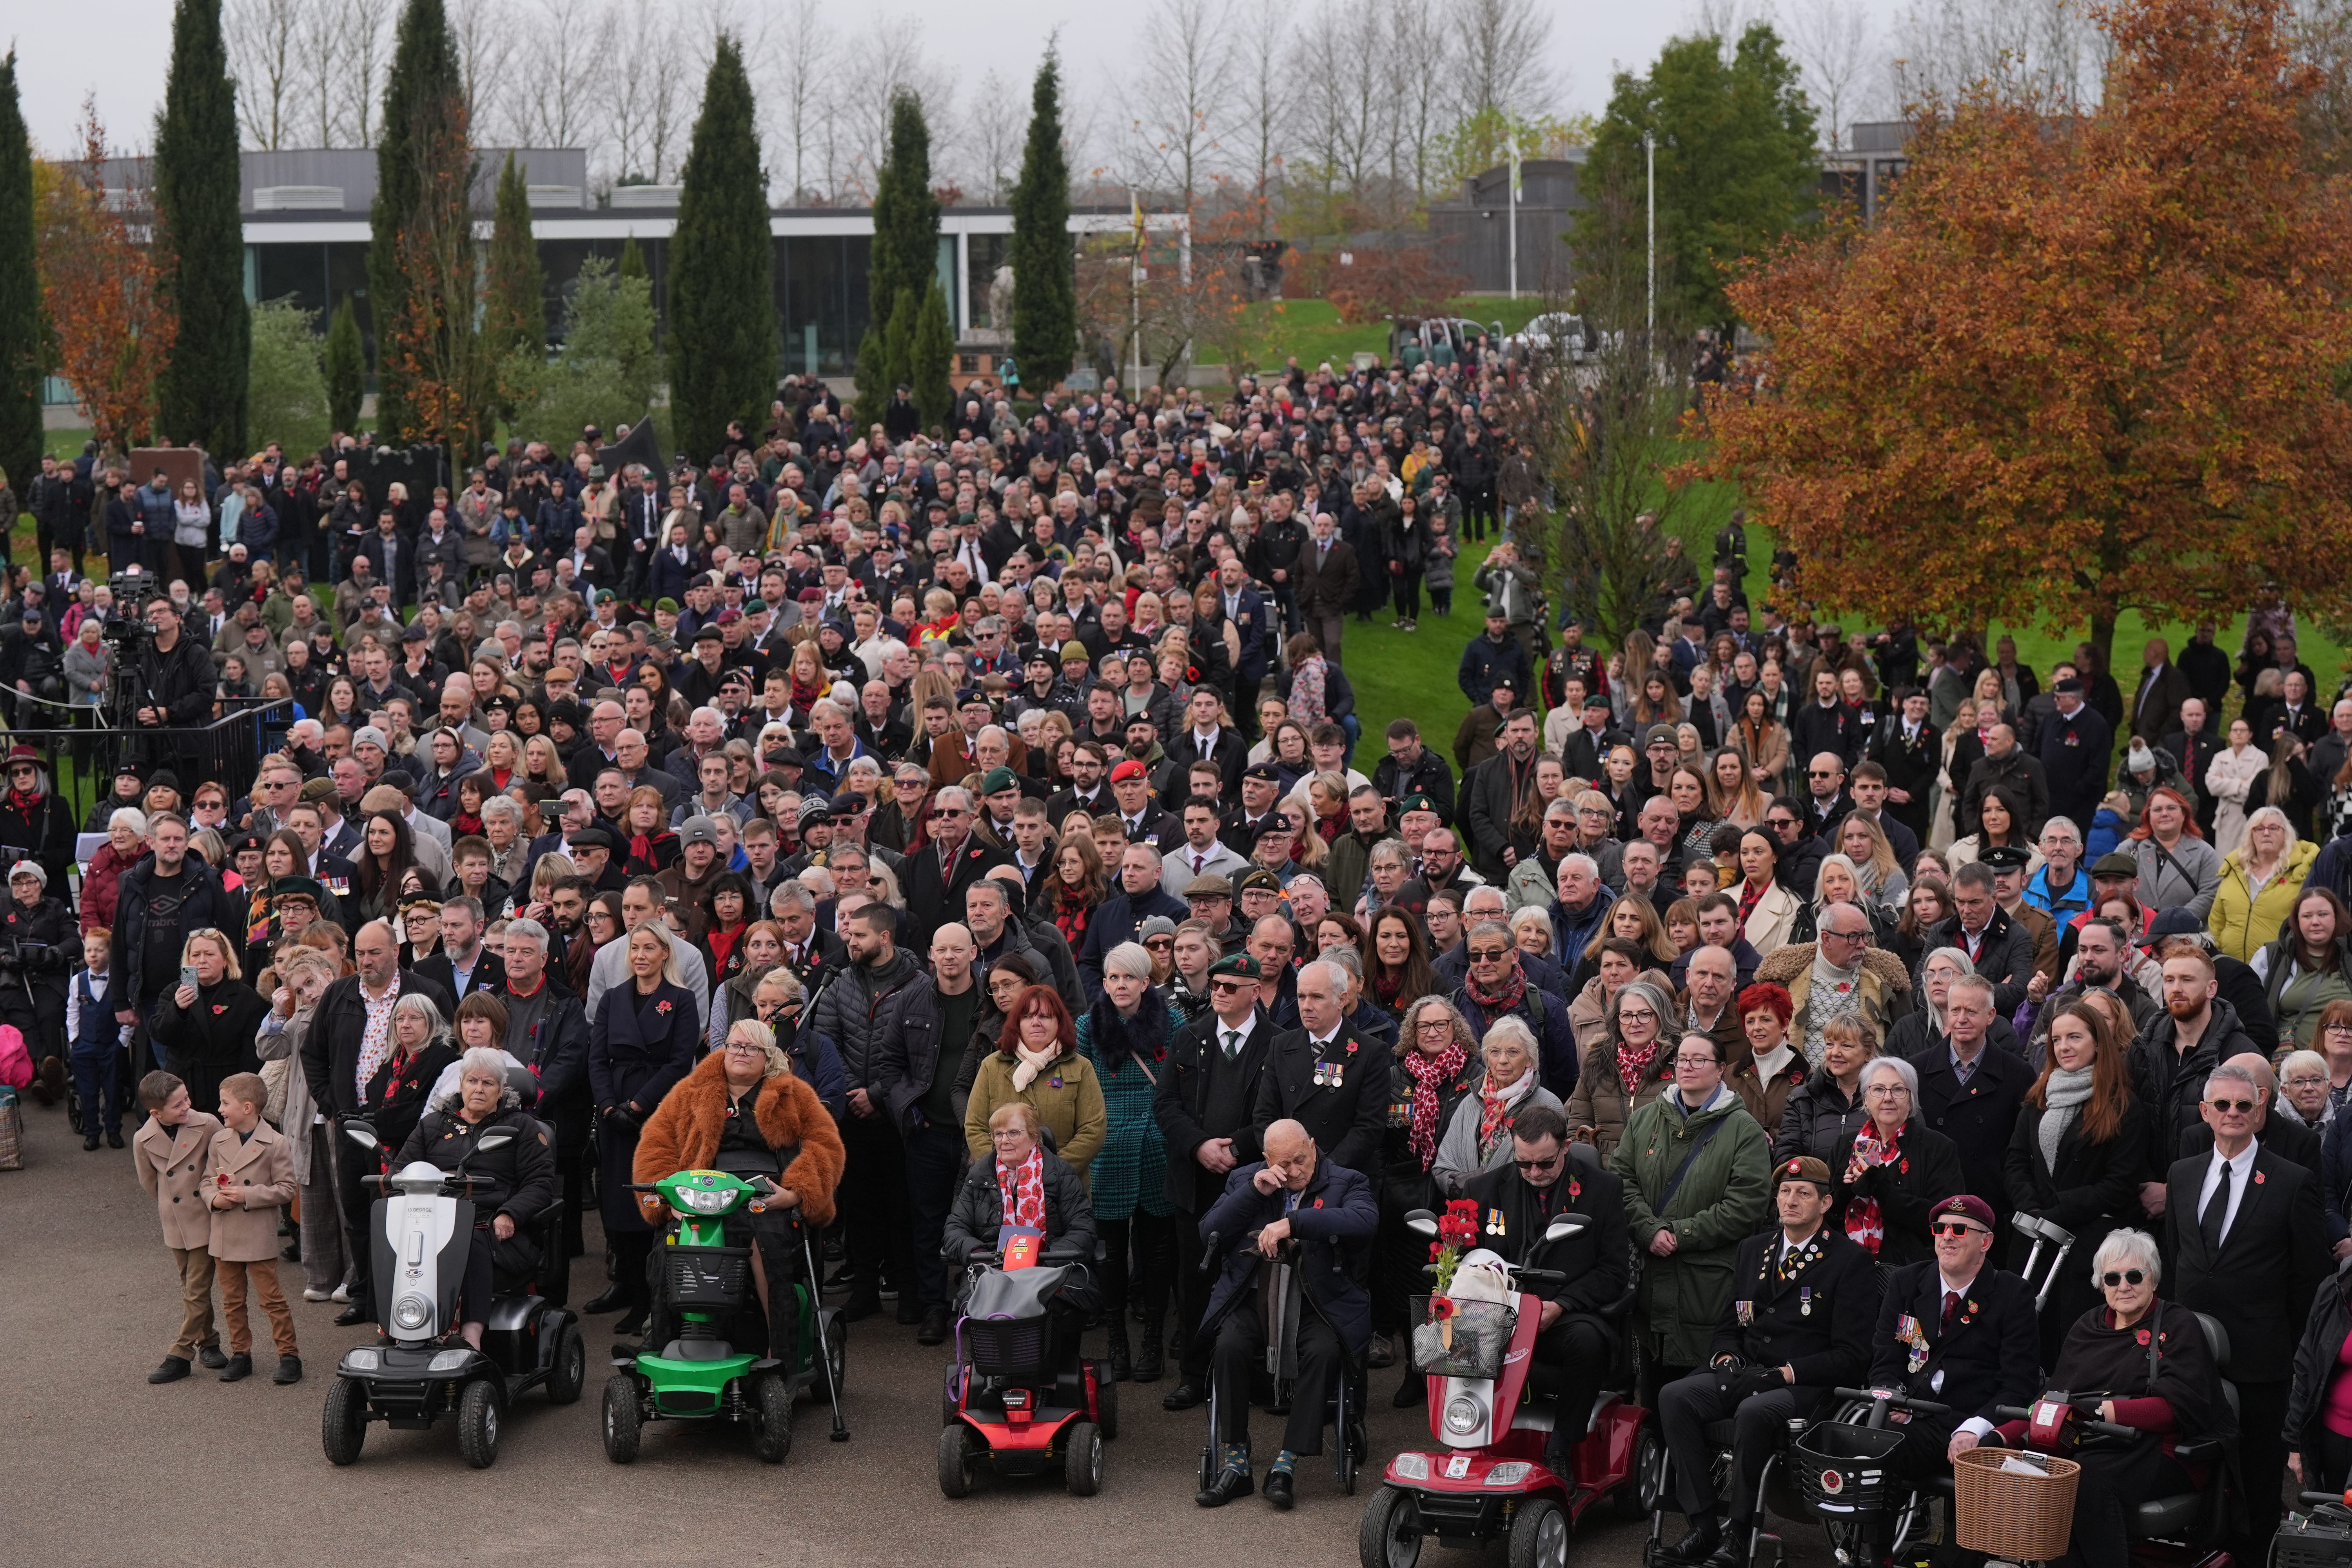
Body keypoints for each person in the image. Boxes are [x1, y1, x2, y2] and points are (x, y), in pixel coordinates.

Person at [1655, 1156, 1877, 1568]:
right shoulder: (1754, 1249)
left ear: (1826, 1203)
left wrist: (1789, 1372)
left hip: (1800, 1385)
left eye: (1804, 1193)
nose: (1791, 1200)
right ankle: (1704, 1525)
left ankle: (1738, 1534)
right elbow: (1728, 1325)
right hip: (1745, 1371)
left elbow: (1852, 1356)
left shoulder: (1849, 1261)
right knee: (1674, 1396)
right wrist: (1724, 1357)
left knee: (1754, 1412)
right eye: (1785, 1192)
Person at [2165, 1058, 2331, 1559]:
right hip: (2193, 1360)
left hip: (2263, 1364)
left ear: (2261, 1109)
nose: (2233, 1112)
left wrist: (2293, 1355)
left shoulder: (2292, 1180)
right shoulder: (2182, 1173)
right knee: (2195, 1476)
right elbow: (2177, 1258)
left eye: (2244, 1104)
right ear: (2205, 1112)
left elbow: (2310, 1281)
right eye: (2223, 1105)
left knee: (2259, 1487)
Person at [1987, 1229, 2228, 1568]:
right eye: (2113, 1277)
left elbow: (2175, 1409)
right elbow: (2052, 1400)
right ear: (2102, 1283)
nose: (2123, 1286)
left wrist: (2100, 1411)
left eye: (2134, 1276)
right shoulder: (2087, 1326)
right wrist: (2001, 1435)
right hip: (2090, 1445)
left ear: (2154, 1279)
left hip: (2163, 1449)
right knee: (2053, 1475)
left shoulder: (2178, 1325)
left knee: (2079, 1477)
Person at [630, 1019, 844, 1372]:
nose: (740, 1053)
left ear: (768, 1057)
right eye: (734, 1046)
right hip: (701, 1194)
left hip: (765, 1196)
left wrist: (795, 1194)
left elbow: (826, 1145)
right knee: (674, 1243)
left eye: (751, 1048)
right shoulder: (690, 1091)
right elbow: (656, 1145)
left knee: (763, 1242)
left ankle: (779, 1353)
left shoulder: (794, 1095)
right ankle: (671, 1342)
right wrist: (670, 1200)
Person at [1193, 1117, 1379, 1511]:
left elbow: (1364, 1222)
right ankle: (1236, 1458)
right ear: (1266, 1159)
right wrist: (1253, 1192)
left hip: (1319, 1301)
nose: (1294, 1171)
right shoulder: (1247, 1179)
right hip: (1254, 1296)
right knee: (1228, 1345)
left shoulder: (1348, 1180)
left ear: (1313, 1145)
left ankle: (1287, 1461)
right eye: (1284, 1164)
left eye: (1300, 1159)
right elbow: (1209, 1231)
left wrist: (1294, 1222)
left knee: (1325, 1352)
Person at [1459, 1104, 1633, 1473]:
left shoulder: (1603, 1189)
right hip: (1498, 1316)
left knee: (1588, 1342)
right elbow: (1462, 1259)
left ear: (1566, 1147)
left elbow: (1613, 1271)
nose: (1535, 1173)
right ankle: (1467, 1439)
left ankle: (1561, 1448)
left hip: (1566, 1316)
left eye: (1545, 1163)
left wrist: (1564, 1305)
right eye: (1525, 1164)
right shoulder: (1482, 1188)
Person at [1610, 1030, 1773, 1404]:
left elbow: (1747, 1205)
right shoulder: (1646, 1119)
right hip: (1652, 1280)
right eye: (1682, 1059)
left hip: (1708, 1284)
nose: (1687, 1066)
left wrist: (1678, 1234)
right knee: (1652, 1393)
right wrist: (1650, 1230)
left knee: (1699, 1393)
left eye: (1699, 1060)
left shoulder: (1743, 1129)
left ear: (1720, 1071)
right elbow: (1621, 1181)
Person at [1155, 951, 1277, 1412]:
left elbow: (1282, 1113)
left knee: (1253, 1279)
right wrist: (1200, 1146)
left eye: (1230, 986)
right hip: (1195, 1181)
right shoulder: (1190, 1036)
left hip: (1251, 1184)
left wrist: (1238, 1148)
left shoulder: (1278, 1043)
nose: (1219, 993)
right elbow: (1165, 1103)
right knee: (1195, 1280)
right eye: (1216, 985)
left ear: (1255, 992)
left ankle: (1255, 1377)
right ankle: (1194, 1372)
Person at [1865, 1194, 2039, 1488]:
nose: (1947, 1237)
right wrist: (1892, 1398)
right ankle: (1871, 1531)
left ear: (1985, 1242)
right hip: (1909, 1414)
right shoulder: (1906, 1282)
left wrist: (1974, 1428)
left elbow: (2019, 1385)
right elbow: (1885, 1359)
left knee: (1882, 1453)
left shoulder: (2012, 1294)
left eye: (1959, 1230)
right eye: (1939, 1228)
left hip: (1966, 1421)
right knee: (1853, 1440)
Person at [391, 1046, 557, 1351]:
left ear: (501, 1090)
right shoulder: (432, 1125)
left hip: (494, 1228)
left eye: (488, 1083)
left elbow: (540, 1183)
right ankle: (400, 1325)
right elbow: (399, 1173)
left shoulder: (520, 1127)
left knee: (467, 1231)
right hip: (430, 1220)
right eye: (472, 1081)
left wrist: (511, 1213)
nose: (478, 1089)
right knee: (395, 1237)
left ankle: (471, 1334)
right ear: (461, 1084)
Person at [1075, 941, 1183, 1381]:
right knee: (1110, 1251)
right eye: (1113, 977)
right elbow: (1082, 1086)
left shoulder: (1172, 1020)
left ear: (1147, 981)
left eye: (1129, 977)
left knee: (1158, 1249)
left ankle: (1154, 1339)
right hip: (1108, 1143)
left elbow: (1180, 1083)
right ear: (1104, 983)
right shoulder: (1087, 1025)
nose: (1121, 985)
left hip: (1158, 1141)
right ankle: (1117, 1339)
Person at [588, 918, 701, 1338]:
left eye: (649, 948)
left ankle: (652, 1301)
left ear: (665, 953)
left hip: (657, 1109)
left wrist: (638, 1104)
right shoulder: (614, 998)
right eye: (635, 948)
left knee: (651, 1203)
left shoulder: (681, 999)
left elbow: (679, 1060)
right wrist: (607, 1105)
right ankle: (631, 1290)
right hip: (614, 1109)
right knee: (619, 1208)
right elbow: (597, 1057)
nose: (640, 955)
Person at [1252, 958, 1391, 1180]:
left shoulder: (1371, 1052)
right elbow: (1264, 1115)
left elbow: (1369, 1128)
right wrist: (1284, 1163)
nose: (1307, 1006)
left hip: (1342, 1177)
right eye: (1301, 997)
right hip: (1287, 1175)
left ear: (1341, 1000)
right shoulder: (1280, 1045)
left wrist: (1320, 1171)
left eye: (1317, 997)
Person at [203, 1071, 301, 1385]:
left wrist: (249, 1195)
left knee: (271, 1299)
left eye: (225, 1103)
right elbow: (206, 1181)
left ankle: (289, 1356)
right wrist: (214, 1199)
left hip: (256, 1231)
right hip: (225, 1231)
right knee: (232, 1300)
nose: (220, 1110)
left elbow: (287, 1189)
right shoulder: (219, 1140)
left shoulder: (275, 1143)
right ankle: (240, 1354)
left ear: (247, 1108)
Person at [132, 1070, 228, 1382]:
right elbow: (150, 1183)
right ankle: (209, 1342)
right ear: (156, 1113)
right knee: (190, 1285)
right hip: (174, 1221)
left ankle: (180, 1354)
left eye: (187, 1098)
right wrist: (169, 1204)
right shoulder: (143, 1139)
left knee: (196, 1288)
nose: (187, 1106)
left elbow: (223, 1165)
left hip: (205, 1215)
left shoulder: (208, 1123)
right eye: (178, 1105)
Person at [1828, 1055, 1965, 1269]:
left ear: (1911, 1100)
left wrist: (1883, 1190)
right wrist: (1844, 1191)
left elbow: (1943, 1220)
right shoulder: (1846, 1145)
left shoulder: (1938, 1148)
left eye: (1898, 1090)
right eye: (1879, 1090)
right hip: (1846, 1265)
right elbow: (1827, 1214)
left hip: (1908, 1269)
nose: (1888, 1098)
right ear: (1866, 1098)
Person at [965, 981, 1106, 1179]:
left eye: (1045, 1016)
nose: (1036, 1022)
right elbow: (974, 1125)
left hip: (1063, 1191)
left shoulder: (1081, 1067)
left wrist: (1052, 1170)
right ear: (1017, 1024)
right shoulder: (992, 1066)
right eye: (1028, 1016)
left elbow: (1094, 1128)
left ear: (1059, 1022)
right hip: (1004, 1189)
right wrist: (1003, 1167)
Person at [942, 1098, 1098, 1263]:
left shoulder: (1061, 1174)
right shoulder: (979, 1176)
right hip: (991, 1269)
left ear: (1033, 1138)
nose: (1004, 1141)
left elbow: (1083, 1230)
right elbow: (955, 1229)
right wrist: (981, 1256)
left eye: (1013, 1133)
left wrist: (1045, 1262)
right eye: (999, 1134)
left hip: (1051, 1269)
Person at [148, 928, 270, 1134]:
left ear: (225, 960)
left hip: (225, 1087)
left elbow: (252, 1054)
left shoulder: (245, 997)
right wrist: (177, 1010)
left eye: (210, 954)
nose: (202, 960)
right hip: (183, 1087)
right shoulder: (174, 992)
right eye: (196, 955)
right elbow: (161, 1035)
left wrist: (240, 1094)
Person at [1431, 1014, 1564, 1195]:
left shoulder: (1547, 1104)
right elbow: (1442, 1170)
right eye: (1495, 1052)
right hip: (1468, 1211)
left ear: (1530, 1059)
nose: (1502, 1060)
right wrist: (1469, 1189)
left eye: (1513, 1052)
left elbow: (1548, 1172)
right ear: (1487, 1058)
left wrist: (1481, 1184)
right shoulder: (1471, 1101)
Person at [1568, 976, 1675, 1156]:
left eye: (1644, 1014)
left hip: (1663, 1171)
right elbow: (1578, 1129)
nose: (1635, 1023)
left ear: (1661, 1017)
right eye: (1626, 1016)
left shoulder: (1679, 1062)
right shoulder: (1597, 1062)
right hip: (1607, 1173)